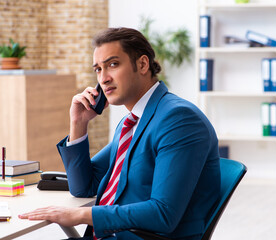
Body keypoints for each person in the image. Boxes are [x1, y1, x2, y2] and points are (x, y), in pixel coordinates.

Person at [19, 27, 220, 240]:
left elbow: (164, 213)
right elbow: (84, 187)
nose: (103, 78)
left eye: (112, 65)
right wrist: (78, 123)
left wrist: (81, 214)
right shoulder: (131, 122)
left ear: (142, 64)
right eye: (98, 69)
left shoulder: (178, 119)